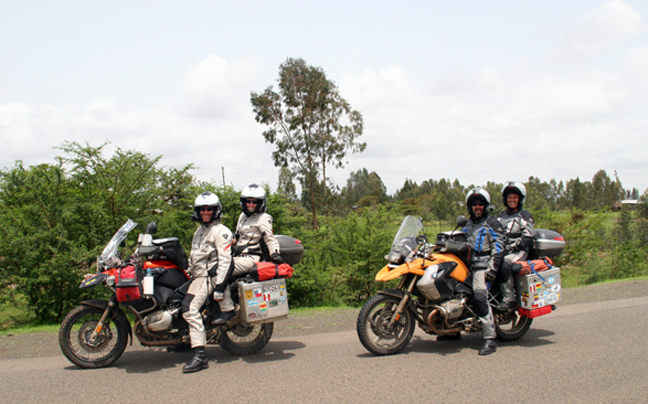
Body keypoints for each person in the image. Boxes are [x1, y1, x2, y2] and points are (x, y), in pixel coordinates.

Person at [212, 183, 283, 324]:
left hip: (250, 257)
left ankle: (227, 309)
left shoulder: (264, 218)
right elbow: (239, 235)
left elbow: (270, 238)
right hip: (236, 254)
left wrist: (275, 253)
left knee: (220, 270)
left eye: (254, 202)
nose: (251, 204)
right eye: (248, 201)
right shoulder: (242, 216)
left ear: (260, 203)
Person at [181, 191, 233, 373]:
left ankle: (200, 356)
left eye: (209, 209)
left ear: (216, 210)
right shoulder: (200, 231)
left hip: (207, 277)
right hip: (196, 275)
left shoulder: (221, 231)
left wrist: (219, 286)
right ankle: (183, 340)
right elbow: (194, 256)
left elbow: (225, 260)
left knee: (189, 308)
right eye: (202, 209)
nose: (205, 212)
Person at [461, 188, 505, 356]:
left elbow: (498, 249)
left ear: (486, 206)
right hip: (467, 267)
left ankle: (490, 338)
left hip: (483, 266)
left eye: (480, 204)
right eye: (474, 204)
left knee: (479, 296)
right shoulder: (467, 224)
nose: (477, 207)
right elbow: (457, 240)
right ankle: (450, 331)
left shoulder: (492, 224)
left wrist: (492, 269)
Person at [496, 181, 535, 311]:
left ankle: (509, 299)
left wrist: (512, 247)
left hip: (519, 250)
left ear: (520, 199)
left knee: (505, 263)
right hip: (503, 249)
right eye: (510, 197)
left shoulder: (524, 216)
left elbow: (528, 237)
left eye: (515, 197)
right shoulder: (501, 216)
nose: (512, 200)